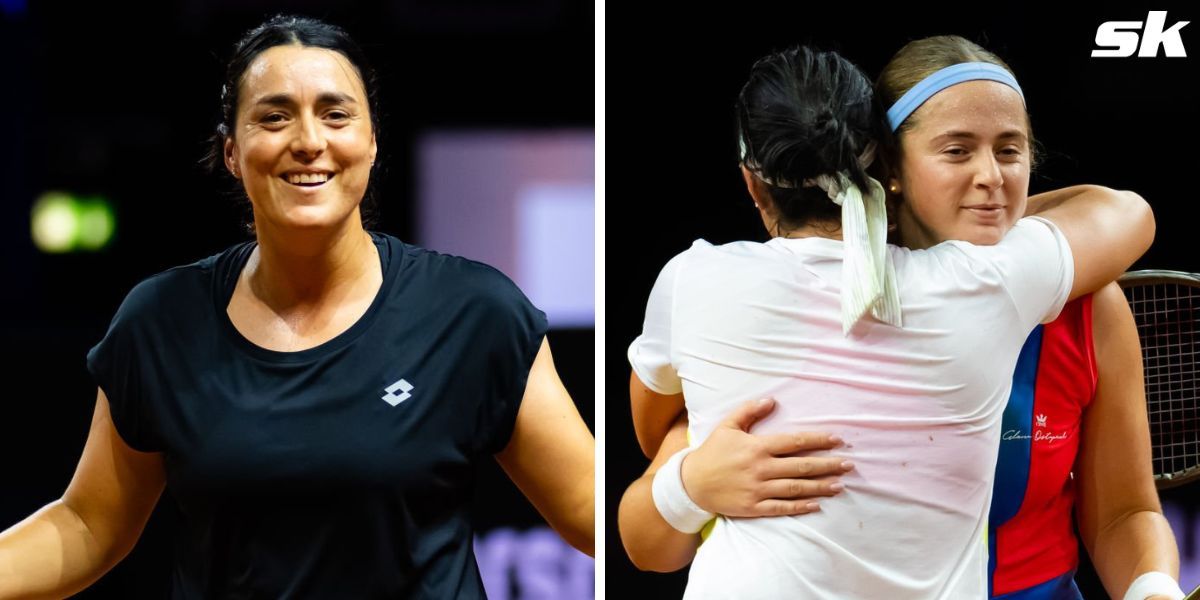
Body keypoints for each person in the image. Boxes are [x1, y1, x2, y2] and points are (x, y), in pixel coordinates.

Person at [0, 15, 594, 599]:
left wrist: (679, 492)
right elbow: (86, 525)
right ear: (231, 152)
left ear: (371, 143)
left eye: (336, 115)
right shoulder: (160, 321)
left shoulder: (473, 311)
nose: (309, 142)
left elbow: (594, 513)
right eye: (274, 117)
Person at [621, 35, 1182, 600]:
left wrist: (1152, 589)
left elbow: (1125, 513)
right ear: (888, 166)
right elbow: (645, 533)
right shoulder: (773, 319)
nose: (992, 176)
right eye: (957, 151)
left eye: (1010, 150)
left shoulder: (1088, 307)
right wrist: (692, 484)